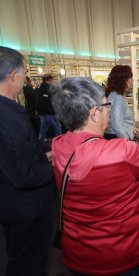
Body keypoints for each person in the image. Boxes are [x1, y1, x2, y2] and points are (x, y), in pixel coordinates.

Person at [51, 77, 139, 275]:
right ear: (93, 114)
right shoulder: (123, 151)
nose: (108, 110)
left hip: (79, 254)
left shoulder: (58, 146)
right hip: (125, 254)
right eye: (105, 105)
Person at [0, 46, 57, 275]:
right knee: (28, 265)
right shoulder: (8, 117)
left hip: (13, 204)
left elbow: (11, 158)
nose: (25, 80)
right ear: (13, 75)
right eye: (24, 73)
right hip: (26, 208)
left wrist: (41, 156)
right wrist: (55, 166)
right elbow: (24, 175)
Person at [104, 65, 139, 140]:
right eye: (131, 77)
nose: (133, 80)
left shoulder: (113, 94)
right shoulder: (118, 97)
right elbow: (117, 125)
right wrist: (126, 142)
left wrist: (131, 129)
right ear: (125, 80)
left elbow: (117, 119)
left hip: (112, 135)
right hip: (118, 137)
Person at [37, 74, 61, 148]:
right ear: (50, 79)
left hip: (42, 112)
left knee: (43, 129)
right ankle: (60, 143)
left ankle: (40, 144)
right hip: (50, 112)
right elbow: (53, 99)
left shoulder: (40, 87)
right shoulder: (50, 88)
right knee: (57, 127)